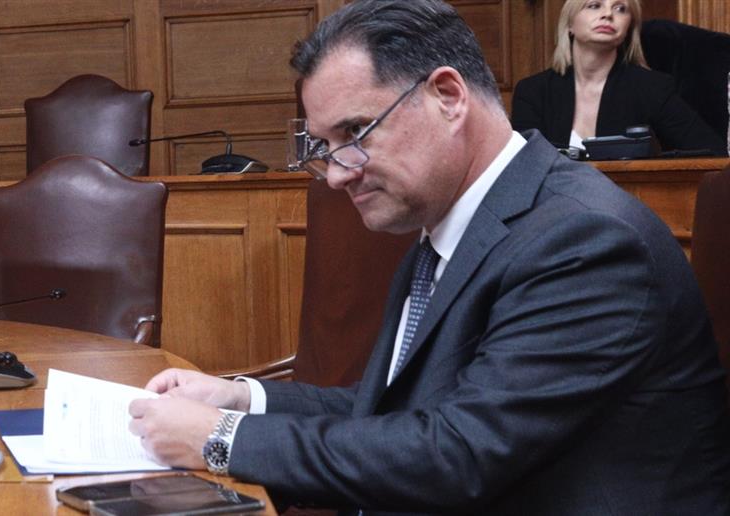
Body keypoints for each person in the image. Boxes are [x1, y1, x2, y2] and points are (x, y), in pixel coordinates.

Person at [128, 1, 730, 514]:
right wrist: (242, 399)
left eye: (355, 134)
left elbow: (458, 453)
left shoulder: (583, 241)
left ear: (447, 96)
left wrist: (224, 438)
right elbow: (402, 409)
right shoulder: (457, 221)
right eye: (325, 147)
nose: (336, 175)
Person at [511, 0, 722, 153]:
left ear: (629, 28)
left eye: (620, 8)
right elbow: (522, 167)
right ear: (569, 24)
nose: (608, 14)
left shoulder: (652, 87)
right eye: (594, 5)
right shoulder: (532, 91)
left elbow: (713, 154)